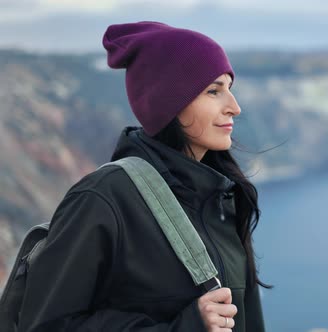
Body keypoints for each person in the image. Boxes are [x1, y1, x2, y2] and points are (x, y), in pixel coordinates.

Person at [17, 21, 268, 332]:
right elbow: (46, 326)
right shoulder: (104, 199)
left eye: (230, 89)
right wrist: (188, 326)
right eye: (213, 91)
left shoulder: (223, 198)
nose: (235, 107)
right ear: (170, 103)